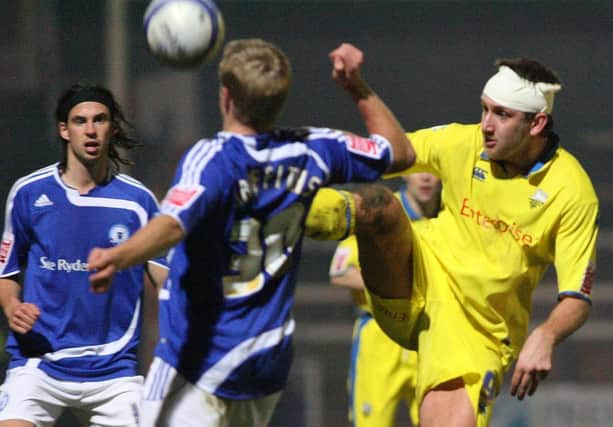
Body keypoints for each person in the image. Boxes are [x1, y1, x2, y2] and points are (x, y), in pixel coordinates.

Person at [86, 38, 415, 427]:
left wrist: (116, 256)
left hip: (202, 358)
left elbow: (173, 224)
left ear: (226, 97)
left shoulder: (214, 159)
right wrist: (355, 85)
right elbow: (400, 152)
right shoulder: (311, 149)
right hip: (266, 360)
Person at [306, 57, 598, 426]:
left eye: (502, 115)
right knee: (380, 207)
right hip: (414, 278)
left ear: (536, 123)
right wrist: (356, 90)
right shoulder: (465, 141)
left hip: (475, 332)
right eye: (484, 109)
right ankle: (286, 209)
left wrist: (546, 335)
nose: (486, 125)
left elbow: (577, 297)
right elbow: (386, 154)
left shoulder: (572, 191)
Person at [0, 83, 168, 426]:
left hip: (114, 373)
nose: (90, 130)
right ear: (64, 130)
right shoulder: (29, 193)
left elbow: (168, 278)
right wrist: (12, 306)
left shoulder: (138, 203)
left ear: (113, 127)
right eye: (79, 121)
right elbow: (5, 273)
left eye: (100, 120)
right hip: (39, 363)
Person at [328, 173, 441, 427]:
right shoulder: (382, 211)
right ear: (405, 174)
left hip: (431, 335)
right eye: (417, 170)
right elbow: (340, 271)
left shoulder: (450, 216)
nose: (424, 178)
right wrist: (394, 287)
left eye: (431, 170)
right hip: (379, 335)